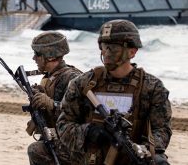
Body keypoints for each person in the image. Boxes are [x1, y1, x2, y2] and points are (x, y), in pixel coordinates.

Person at [57, 19, 172, 165]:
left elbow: (161, 129)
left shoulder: (152, 88)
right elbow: (63, 125)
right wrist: (88, 132)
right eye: (104, 47)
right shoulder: (83, 84)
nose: (106, 53)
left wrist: (150, 150)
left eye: (113, 48)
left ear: (132, 51)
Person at [27, 31, 82, 165]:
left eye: (37, 54)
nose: (34, 58)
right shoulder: (49, 77)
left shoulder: (72, 78)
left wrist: (52, 104)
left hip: (74, 146)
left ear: (50, 57)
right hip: (57, 138)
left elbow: (81, 115)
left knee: (36, 150)